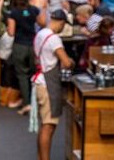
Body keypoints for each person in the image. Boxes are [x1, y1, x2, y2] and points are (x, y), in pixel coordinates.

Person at [33, 9, 75, 160]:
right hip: (48, 85)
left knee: (44, 125)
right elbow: (66, 62)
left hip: (39, 81)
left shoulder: (40, 34)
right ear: (62, 22)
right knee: (49, 126)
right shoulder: (54, 38)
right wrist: (71, 61)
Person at [7, 0, 44, 114]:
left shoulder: (14, 13)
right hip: (33, 45)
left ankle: (27, 103)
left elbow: (11, 32)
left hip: (19, 45)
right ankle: (36, 101)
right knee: (33, 74)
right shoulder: (34, 10)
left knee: (22, 75)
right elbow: (43, 23)